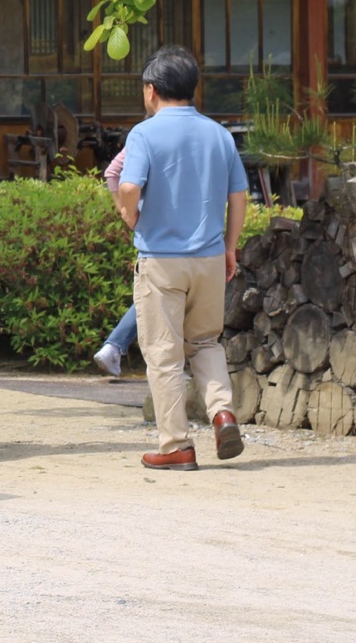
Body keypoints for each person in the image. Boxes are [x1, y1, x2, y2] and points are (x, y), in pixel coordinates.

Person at [116, 45, 250, 471]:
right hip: (209, 258)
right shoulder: (219, 134)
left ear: (151, 91)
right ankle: (222, 413)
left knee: (164, 353)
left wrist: (130, 215)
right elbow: (239, 196)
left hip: (161, 260)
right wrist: (230, 247)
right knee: (206, 342)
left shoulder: (144, 134)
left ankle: (176, 445)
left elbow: (129, 186)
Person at [91, 148, 138, 378]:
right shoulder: (145, 135)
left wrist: (126, 211)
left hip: (150, 229)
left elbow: (112, 173)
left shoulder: (141, 134)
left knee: (152, 295)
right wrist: (126, 212)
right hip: (180, 232)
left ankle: (113, 347)